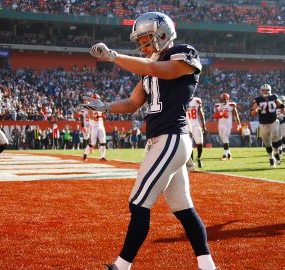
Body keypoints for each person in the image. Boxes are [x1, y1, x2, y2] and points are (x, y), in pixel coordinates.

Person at [81, 11, 217, 270]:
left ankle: (121, 266)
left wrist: (113, 56)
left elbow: (156, 68)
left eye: (146, 40)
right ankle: (207, 265)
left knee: (138, 202)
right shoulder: (148, 73)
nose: (142, 46)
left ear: (163, 34)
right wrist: (106, 106)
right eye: (140, 41)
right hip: (162, 141)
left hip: (171, 138)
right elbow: (132, 103)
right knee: (183, 208)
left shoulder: (183, 53)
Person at [250, 84, 282, 167]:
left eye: (267, 90)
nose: (265, 91)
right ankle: (271, 158)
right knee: (267, 143)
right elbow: (252, 112)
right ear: (261, 91)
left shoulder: (274, 97)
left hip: (273, 121)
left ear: (270, 90)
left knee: (274, 137)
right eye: (264, 90)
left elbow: (281, 105)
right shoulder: (258, 99)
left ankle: (276, 154)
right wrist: (255, 111)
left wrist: (281, 112)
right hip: (263, 124)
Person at [214, 92, 241, 160]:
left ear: (226, 99)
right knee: (223, 139)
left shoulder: (231, 105)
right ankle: (229, 154)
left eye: (222, 99)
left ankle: (225, 155)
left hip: (227, 125)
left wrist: (239, 124)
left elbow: (236, 115)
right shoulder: (218, 106)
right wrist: (217, 114)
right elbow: (216, 116)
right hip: (220, 124)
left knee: (225, 138)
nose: (220, 100)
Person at [83, 93, 107, 161]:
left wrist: (103, 116)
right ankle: (85, 153)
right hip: (94, 126)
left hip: (100, 125)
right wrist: (98, 117)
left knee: (103, 141)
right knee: (93, 143)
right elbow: (91, 117)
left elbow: (104, 115)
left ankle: (102, 156)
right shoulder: (90, 107)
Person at [187, 96, 207, 168]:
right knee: (189, 145)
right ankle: (191, 162)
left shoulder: (197, 101)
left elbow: (201, 113)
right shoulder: (182, 99)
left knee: (199, 143)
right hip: (187, 126)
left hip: (196, 124)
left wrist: (204, 126)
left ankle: (199, 158)